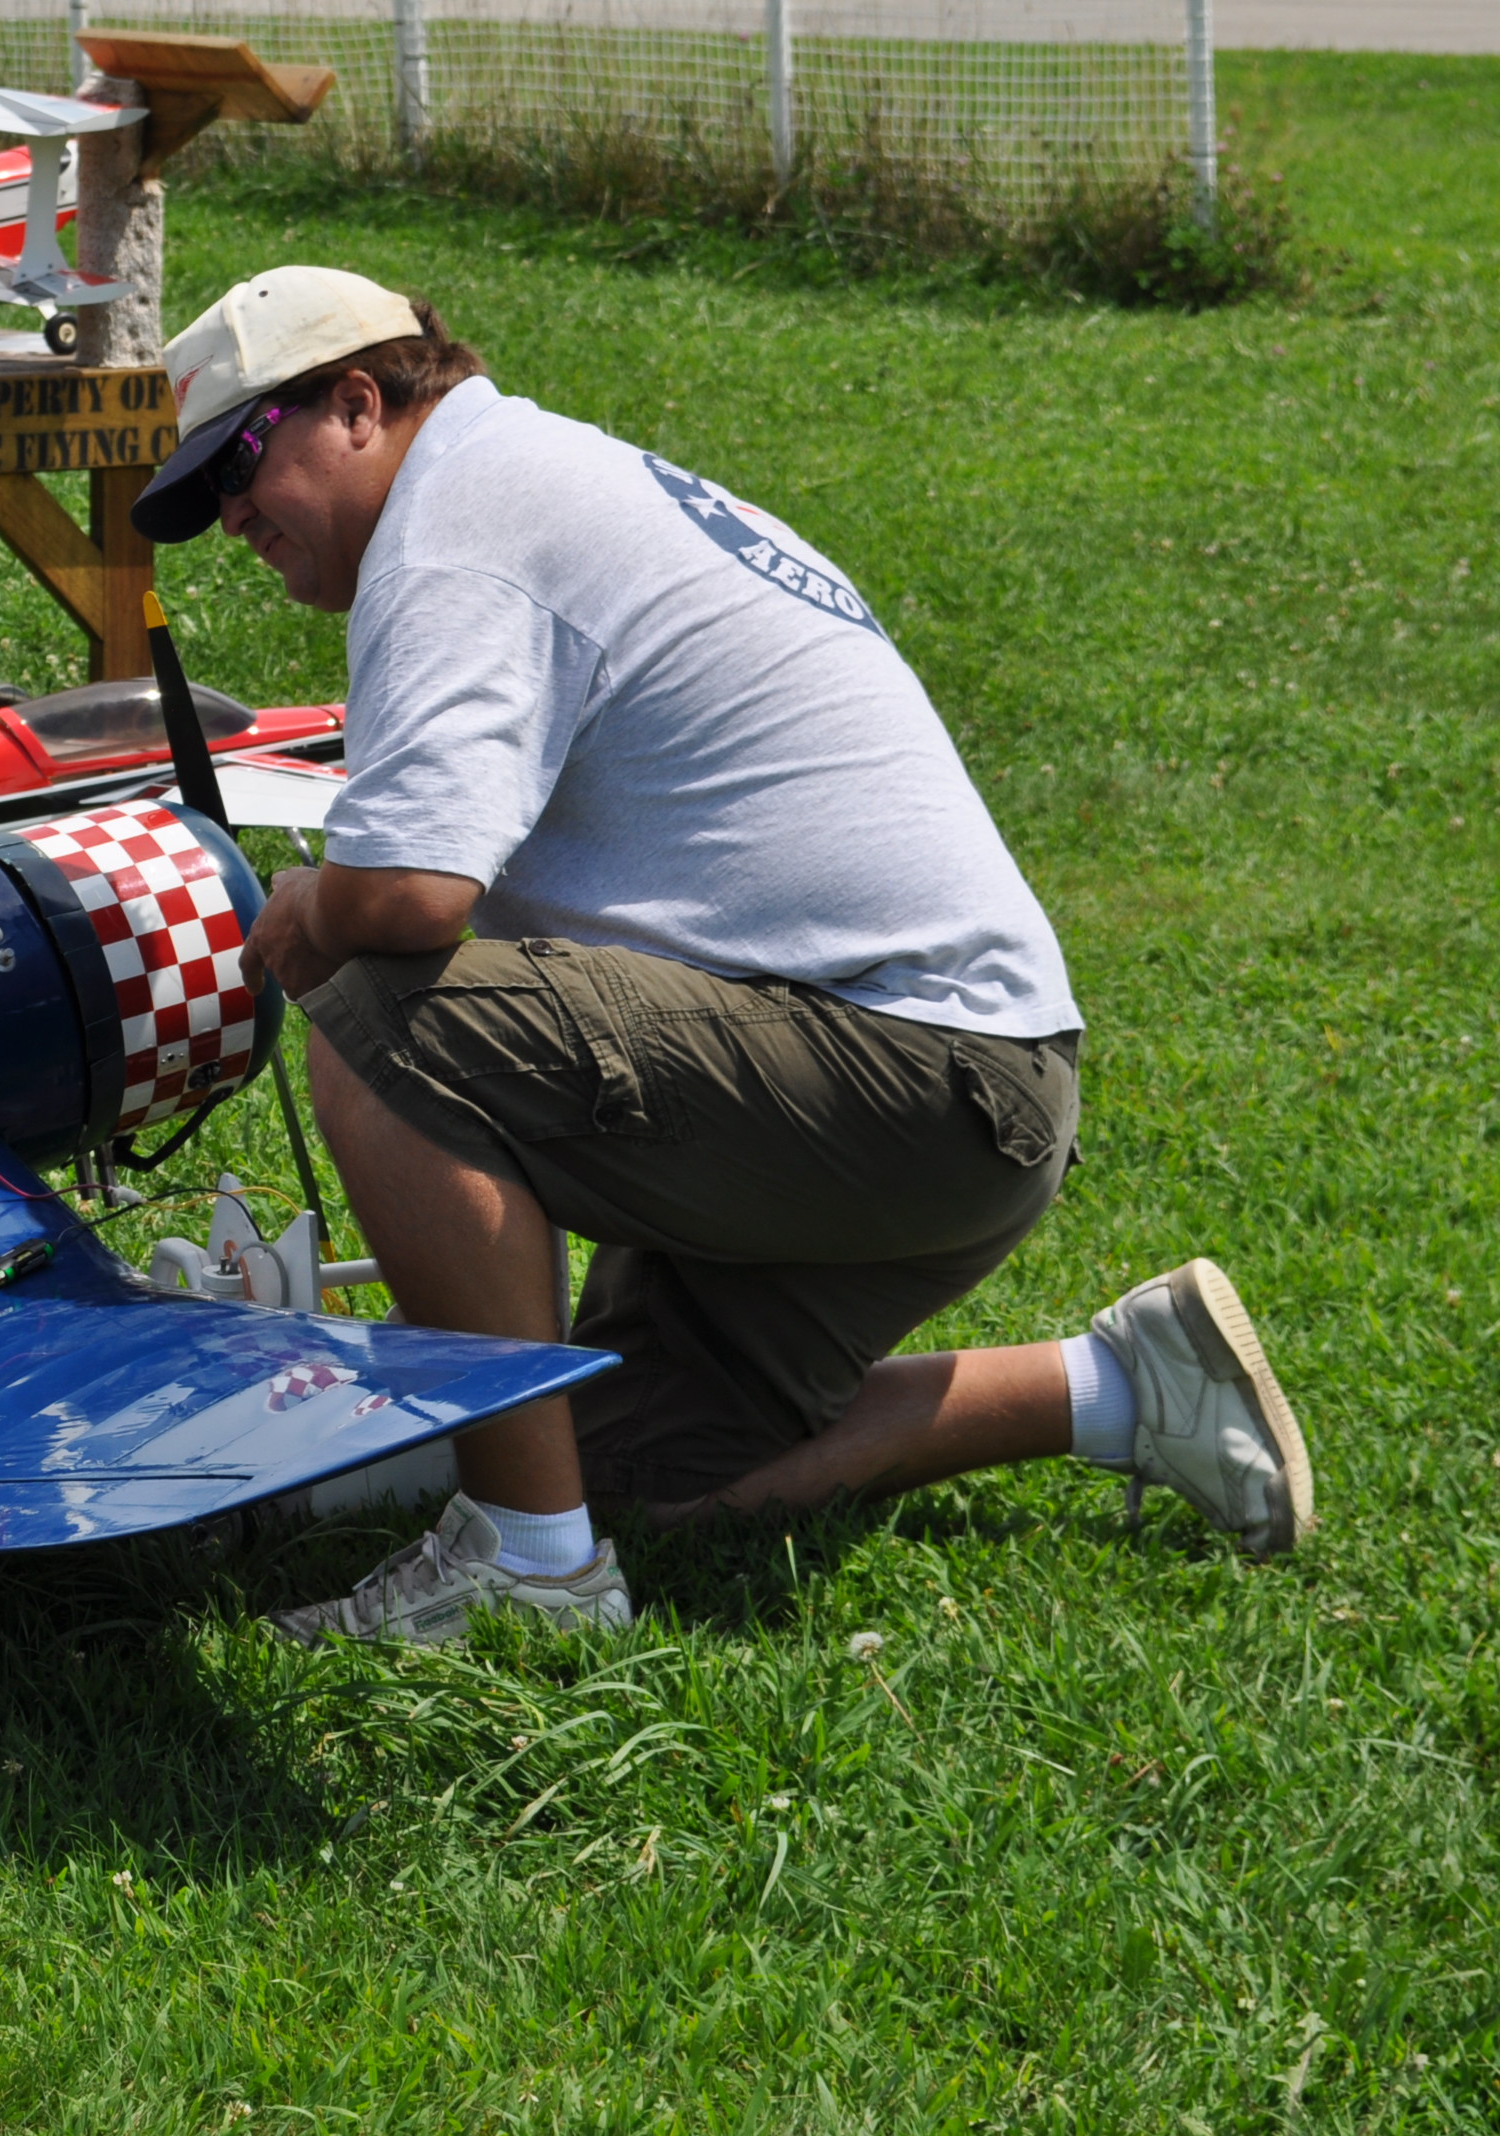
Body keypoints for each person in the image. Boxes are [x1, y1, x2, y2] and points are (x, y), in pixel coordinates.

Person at [126, 267, 1314, 1646]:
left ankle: (527, 1567)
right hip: (962, 1085)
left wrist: (305, 909)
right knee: (630, 1475)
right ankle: (1113, 1386)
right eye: (203, 497)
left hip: (907, 1076)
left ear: (354, 404)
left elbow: (404, 901)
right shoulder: (538, 472)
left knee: (381, 1011)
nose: (230, 517)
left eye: (241, 464)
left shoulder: (456, 524)